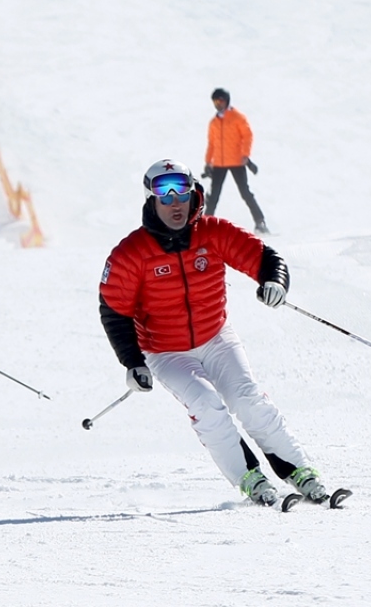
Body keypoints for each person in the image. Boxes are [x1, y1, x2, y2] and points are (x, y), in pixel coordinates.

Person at [98, 158, 330, 507]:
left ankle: (300, 471)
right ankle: (249, 477)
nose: (175, 202)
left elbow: (265, 258)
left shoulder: (213, 232)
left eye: (182, 192)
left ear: (194, 193)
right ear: (151, 199)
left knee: (247, 400)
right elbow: (114, 312)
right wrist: (133, 362)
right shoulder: (131, 254)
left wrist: (274, 282)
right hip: (166, 352)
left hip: (216, 338)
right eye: (165, 194)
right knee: (206, 405)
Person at [204, 87, 269, 234]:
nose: (218, 104)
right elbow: (211, 143)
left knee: (245, 193)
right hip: (219, 163)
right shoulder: (214, 122)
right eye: (215, 102)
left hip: (236, 161)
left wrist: (245, 154)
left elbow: (247, 135)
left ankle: (260, 221)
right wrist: (208, 162)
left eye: (220, 101)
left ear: (227, 101)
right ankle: (205, 226)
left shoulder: (237, 117)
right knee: (213, 196)